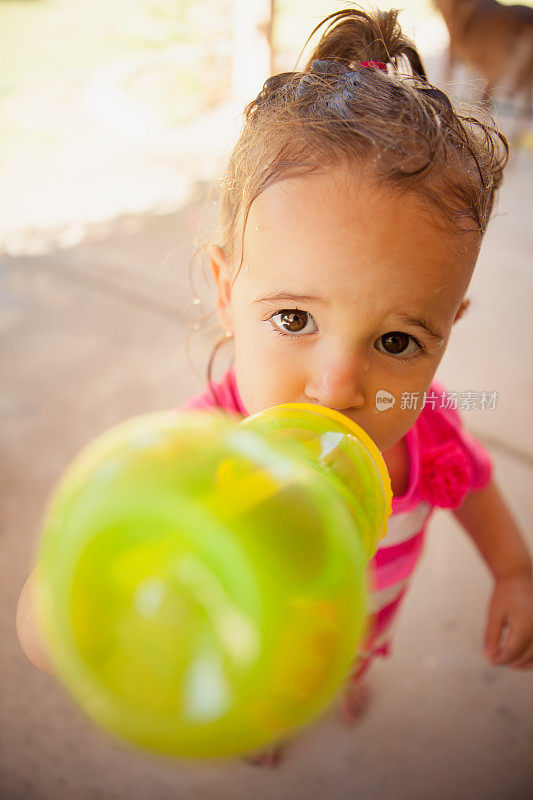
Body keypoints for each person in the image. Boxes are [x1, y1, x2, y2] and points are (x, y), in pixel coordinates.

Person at [17, 6, 533, 769]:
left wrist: (514, 572)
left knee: (340, 661)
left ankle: (335, 680)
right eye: (293, 319)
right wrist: (66, 609)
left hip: (357, 627)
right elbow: (74, 591)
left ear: (448, 328)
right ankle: (271, 711)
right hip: (252, 641)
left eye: (396, 341)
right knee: (266, 687)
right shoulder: (200, 457)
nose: (336, 387)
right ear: (227, 292)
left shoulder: (422, 430)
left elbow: (476, 492)